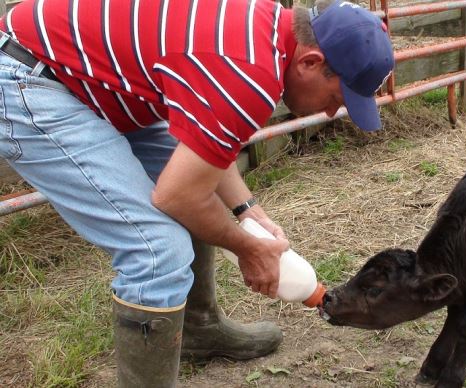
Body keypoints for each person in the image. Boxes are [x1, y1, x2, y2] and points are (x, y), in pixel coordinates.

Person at [0, 0, 394, 385]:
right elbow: (177, 197)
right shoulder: (249, 74)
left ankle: (197, 329)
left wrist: (246, 210)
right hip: (31, 76)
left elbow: (206, 154)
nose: (328, 113)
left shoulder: (264, 31)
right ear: (308, 62)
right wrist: (248, 248)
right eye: (335, 99)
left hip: (85, 77)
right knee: (157, 252)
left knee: (198, 195)